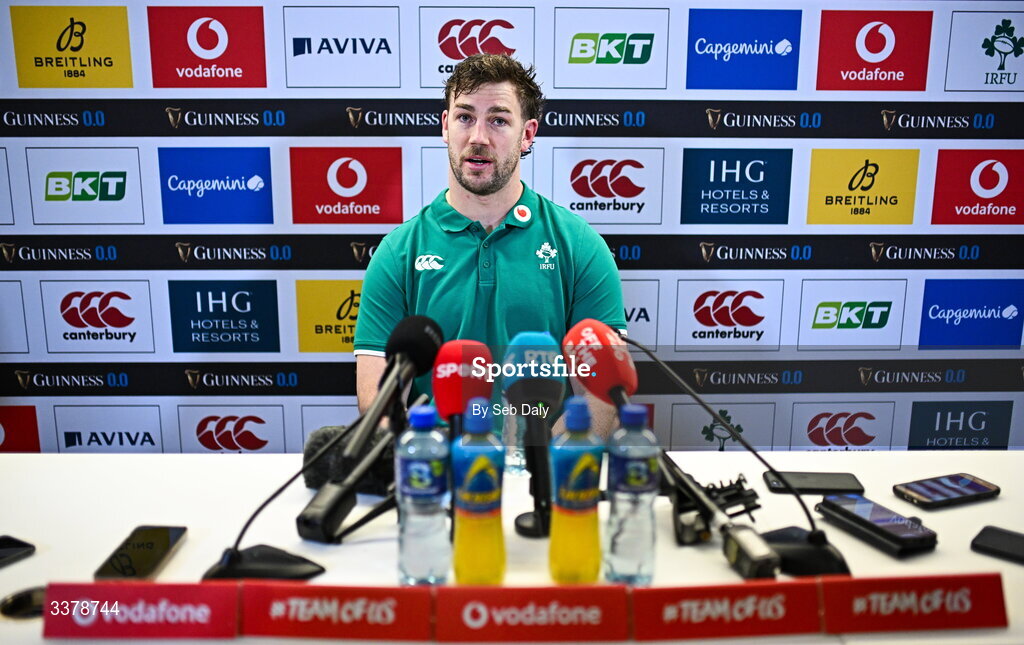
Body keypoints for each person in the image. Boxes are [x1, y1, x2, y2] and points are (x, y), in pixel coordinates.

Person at [353, 54, 626, 436]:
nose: (478, 137)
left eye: (498, 120)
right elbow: (377, 399)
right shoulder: (398, 252)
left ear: (528, 134)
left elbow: (600, 395)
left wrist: (536, 471)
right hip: (437, 476)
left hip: (543, 472)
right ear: (446, 126)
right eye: (465, 117)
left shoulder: (580, 245)